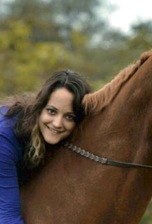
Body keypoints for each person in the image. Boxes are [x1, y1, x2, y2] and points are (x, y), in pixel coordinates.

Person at [0, 70, 91, 223]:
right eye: (51, 111)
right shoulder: (6, 137)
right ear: (39, 108)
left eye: (69, 117)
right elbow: (7, 216)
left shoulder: (63, 139)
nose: (57, 124)